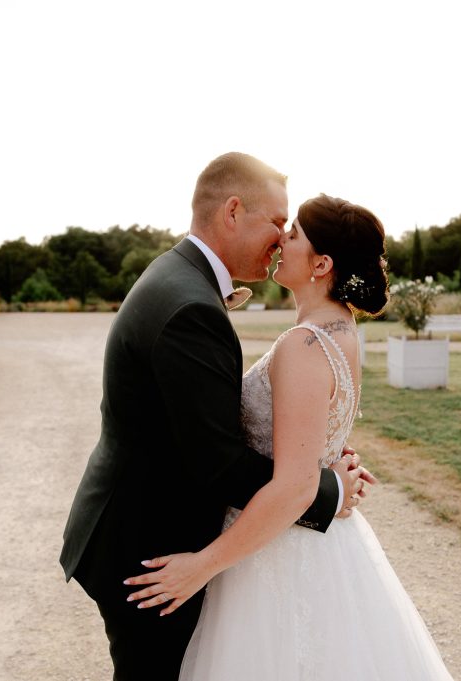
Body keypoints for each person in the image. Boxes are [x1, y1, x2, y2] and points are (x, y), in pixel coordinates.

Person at [58, 154, 371, 680]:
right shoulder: (191, 307)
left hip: (144, 527)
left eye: (290, 230)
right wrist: (327, 490)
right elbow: (219, 463)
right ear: (232, 212)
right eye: (277, 222)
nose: (280, 238)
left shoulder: (178, 277)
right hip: (150, 548)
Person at [125, 194, 457, 680]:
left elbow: (295, 486)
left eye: (295, 232)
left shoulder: (304, 344)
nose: (282, 238)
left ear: (322, 263)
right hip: (309, 539)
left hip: (276, 553)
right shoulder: (340, 328)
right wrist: (331, 479)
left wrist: (202, 566)